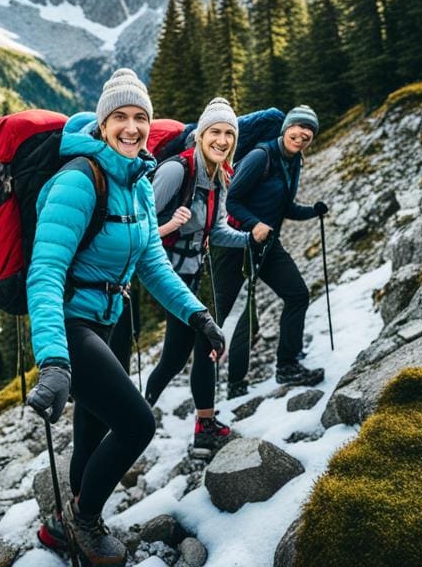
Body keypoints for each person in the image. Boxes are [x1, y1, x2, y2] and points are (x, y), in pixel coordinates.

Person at [25, 69, 225, 566]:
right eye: (120, 117)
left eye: (140, 117)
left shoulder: (136, 180)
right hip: (71, 324)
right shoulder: (79, 180)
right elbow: (44, 273)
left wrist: (197, 315)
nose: (131, 127)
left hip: (107, 320)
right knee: (137, 424)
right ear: (103, 123)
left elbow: (152, 264)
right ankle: (85, 523)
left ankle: (63, 525)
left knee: (92, 432)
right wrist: (52, 361)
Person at [143, 97, 252, 447]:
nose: (223, 140)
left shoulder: (220, 177)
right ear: (201, 135)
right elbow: (137, 226)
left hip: (193, 273)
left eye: (229, 134)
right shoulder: (176, 170)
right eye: (216, 132)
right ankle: (201, 429)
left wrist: (250, 239)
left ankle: (140, 412)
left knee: (176, 355)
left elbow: (216, 230)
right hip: (165, 273)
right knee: (208, 338)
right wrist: (170, 224)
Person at [212, 104, 329, 398]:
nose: (302, 134)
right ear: (286, 127)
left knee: (297, 295)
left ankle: (287, 364)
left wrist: (312, 211)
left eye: (309, 131)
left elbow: (285, 207)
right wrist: (254, 224)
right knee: (223, 316)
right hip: (236, 244)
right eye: (298, 127)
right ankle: (232, 385)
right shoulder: (259, 156)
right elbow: (231, 201)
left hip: (266, 243)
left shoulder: (293, 162)